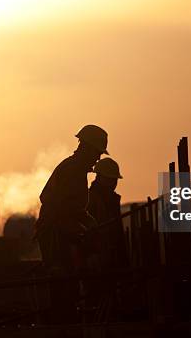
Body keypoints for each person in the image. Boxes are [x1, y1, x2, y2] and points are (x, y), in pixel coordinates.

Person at [35, 124, 108, 323]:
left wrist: (88, 223)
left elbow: (73, 209)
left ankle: (66, 318)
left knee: (67, 283)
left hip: (59, 232)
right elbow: (62, 209)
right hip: (56, 235)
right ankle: (63, 323)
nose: (98, 158)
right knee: (63, 282)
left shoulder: (75, 169)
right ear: (87, 148)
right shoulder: (72, 170)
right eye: (97, 153)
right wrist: (83, 230)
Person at [87, 157, 128, 269]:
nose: (114, 183)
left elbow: (118, 231)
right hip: (94, 259)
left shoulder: (112, 200)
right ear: (99, 177)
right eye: (111, 179)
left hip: (110, 257)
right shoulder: (90, 199)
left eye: (115, 180)